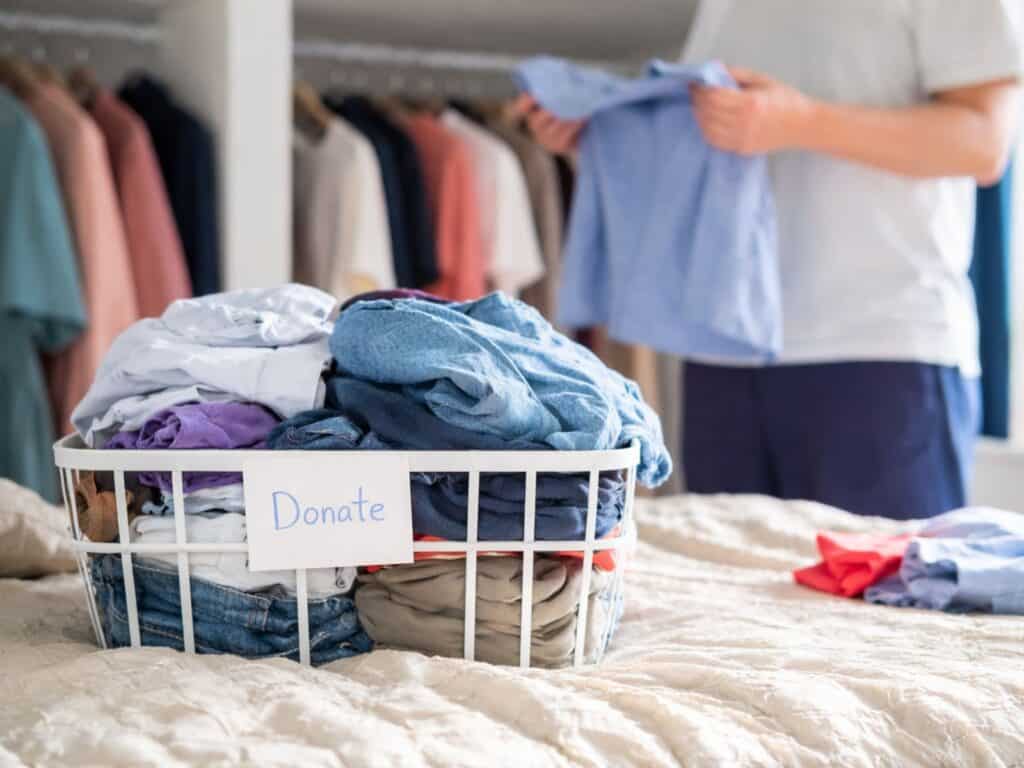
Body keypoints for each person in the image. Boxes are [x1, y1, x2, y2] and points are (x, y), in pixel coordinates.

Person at [515, 1, 1022, 519]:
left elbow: (984, 143)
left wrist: (804, 121)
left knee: (884, 594)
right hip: (721, 352)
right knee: (726, 595)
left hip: (878, 350)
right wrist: (598, 137)